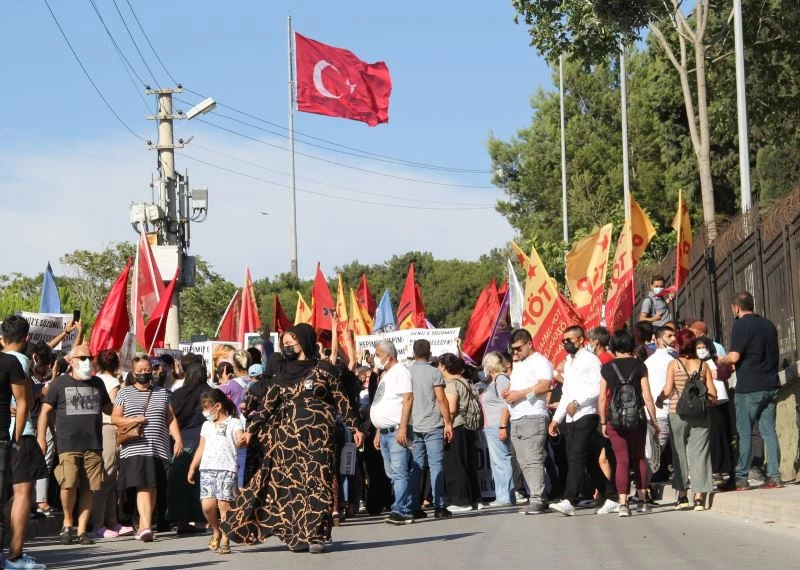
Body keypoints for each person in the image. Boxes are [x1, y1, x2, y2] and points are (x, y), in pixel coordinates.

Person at [221, 324, 363, 553]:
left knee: (319, 483)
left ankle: (316, 535)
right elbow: (266, 408)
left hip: (320, 438)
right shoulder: (281, 375)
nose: (286, 348)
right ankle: (297, 534)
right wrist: (251, 430)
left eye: (291, 344)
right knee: (293, 489)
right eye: (284, 345)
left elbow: (342, 400)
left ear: (304, 342)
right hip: (288, 441)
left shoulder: (324, 370)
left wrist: (356, 427)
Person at [38, 343, 112, 546]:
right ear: (71, 361)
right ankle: (67, 523)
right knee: (68, 484)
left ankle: (81, 531)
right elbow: (45, 411)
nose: (87, 361)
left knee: (89, 488)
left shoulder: (97, 383)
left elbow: (110, 409)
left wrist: (125, 402)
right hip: (68, 444)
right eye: (82, 358)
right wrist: (41, 438)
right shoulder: (60, 383)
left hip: (94, 444)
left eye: (90, 357)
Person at [548, 326, 619, 517]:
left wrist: (578, 403)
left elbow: (598, 387)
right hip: (571, 417)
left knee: (576, 457)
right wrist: (556, 419)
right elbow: (566, 393)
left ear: (581, 340)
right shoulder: (569, 362)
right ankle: (612, 496)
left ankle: (569, 500)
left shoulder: (591, 360)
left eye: (570, 340)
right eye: (564, 341)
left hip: (587, 413)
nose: (566, 344)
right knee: (588, 460)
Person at [112, 356, 183, 542]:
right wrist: (134, 419)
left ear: (152, 370)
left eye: (146, 370)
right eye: (139, 371)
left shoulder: (163, 393)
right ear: (133, 373)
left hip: (158, 447)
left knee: (152, 486)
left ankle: (145, 524)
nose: (144, 374)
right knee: (143, 484)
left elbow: (170, 418)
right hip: (135, 446)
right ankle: (144, 526)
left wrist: (177, 439)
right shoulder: (124, 393)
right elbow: (115, 418)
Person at [718, 291, 782, 490]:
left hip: (749, 387)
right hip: (771, 384)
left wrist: (722, 360)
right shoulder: (769, 325)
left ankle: (741, 478)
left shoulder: (740, 325)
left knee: (744, 433)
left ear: (736, 308)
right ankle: (775, 476)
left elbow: (735, 356)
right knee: (769, 431)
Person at [598, 330, 660, 517]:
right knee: (639, 457)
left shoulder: (607, 368)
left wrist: (603, 422)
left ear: (614, 346)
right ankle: (642, 500)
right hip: (637, 418)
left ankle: (623, 504)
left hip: (615, 420)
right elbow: (647, 396)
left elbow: (602, 398)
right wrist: (654, 421)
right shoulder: (640, 366)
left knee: (621, 460)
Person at [1, 316, 46, 570]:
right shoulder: (19, 361)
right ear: (26, 339)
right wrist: (19, 436)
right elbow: (24, 402)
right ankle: (15, 556)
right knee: (22, 495)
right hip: (19, 434)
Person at [656, 329, 716, 510]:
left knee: (679, 454)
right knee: (700, 454)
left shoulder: (674, 364)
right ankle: (699, 497)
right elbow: (712, 393)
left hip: (677, 413)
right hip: (700, 415)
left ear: (679, 345)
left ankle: (682, 496)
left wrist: (659, 400)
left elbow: (667, 390)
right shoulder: (703, 366)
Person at [503, 329, 554, 515]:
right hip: (518, 417)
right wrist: (510, 391)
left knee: (532, 459)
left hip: (533, 416)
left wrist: (519, 394)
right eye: (513, 350)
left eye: (518, 348)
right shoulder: (520, 365)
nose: (515, 353)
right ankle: (539, 496)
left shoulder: (540, 361)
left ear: (529, 343)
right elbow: (521, 387)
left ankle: (537, 498)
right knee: (524, 460)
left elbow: (545, 385)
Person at [188, 389, 243, 556]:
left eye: (207, 407)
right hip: (207, 469)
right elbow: (201, 447)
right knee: (207, 506)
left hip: (227, 469)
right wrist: (192, 466)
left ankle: (226, 538)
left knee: (224, 506)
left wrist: (241, 440)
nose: (205, 411)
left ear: (218, 406)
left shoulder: (234, 423)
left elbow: (239, 436)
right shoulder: (206, 425)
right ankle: (216, 530)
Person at [370, 340, 415, 524]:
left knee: (399, 472)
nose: (376, 358)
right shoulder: (386, 374)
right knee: (393, 473)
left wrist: (403, 427)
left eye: (378, 354)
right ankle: (409, 506)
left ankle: (400, 511)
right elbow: (383, 403)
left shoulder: (401, 371)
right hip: (385, 432)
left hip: (397, 430)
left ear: (388, 355)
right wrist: (378, 431)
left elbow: (408, 398)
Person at [407, 339, 453, 519]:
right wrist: (448, 422)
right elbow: (441, 399)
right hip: (433, 424)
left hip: (413, 425)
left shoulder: (407, 372)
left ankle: (414, 506)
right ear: (429, 353)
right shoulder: (434, 372)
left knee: (416, 466)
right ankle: (439, 506)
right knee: (436, 465)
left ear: (413, 353)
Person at [92, 350, 134, 539]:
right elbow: (115, 411)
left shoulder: (96, 379)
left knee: (109, 478)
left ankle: (111, 521)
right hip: (109, 428)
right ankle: (100, 523)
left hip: (99, 428)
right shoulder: (113, 383)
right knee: (108, 476)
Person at [166, 363, 209, 534]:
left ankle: (181, 520)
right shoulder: (209, 393)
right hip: (204, 441)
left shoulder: (178, 394)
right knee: (201, 480)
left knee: (180, 482)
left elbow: (171, 417)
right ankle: (202, 518)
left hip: (181, 442)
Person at [439, 353, 481, 513]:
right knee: (468, 463)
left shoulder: (451, 384)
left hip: (456, 427)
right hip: (469, 427)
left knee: (455, 464)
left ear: (444, 366)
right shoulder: (466, 381)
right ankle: (474, 498)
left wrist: (446, 424)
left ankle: (460, 500)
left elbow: (451, 408)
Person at [696, 336, 734, 482]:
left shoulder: (716, 360)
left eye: (703, 347)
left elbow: (725, 373)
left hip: (718, 401)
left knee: (719, 434)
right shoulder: (695, 362)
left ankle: (720, 467)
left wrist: (715, 372)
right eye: (698, 348)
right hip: (703, 403)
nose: (700, 351)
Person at [480, 352, 515, 507]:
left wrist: (502, 425)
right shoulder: (493, 382)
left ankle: (506, 496)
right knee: (497, 463)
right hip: (491, 426)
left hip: (497, 425)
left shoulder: (501, 379)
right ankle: (502, 495)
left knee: (502, 461)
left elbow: (505, 404)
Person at [645, 326, 676, 478]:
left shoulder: (648, 362)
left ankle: (643, 487)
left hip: (658, 412)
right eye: (669, 336)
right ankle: (643, 486)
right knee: (655, 452)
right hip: (663, 411)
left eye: (674, 335)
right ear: (658, 340)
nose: (673, 339)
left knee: (653, 451)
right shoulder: (671, 361)